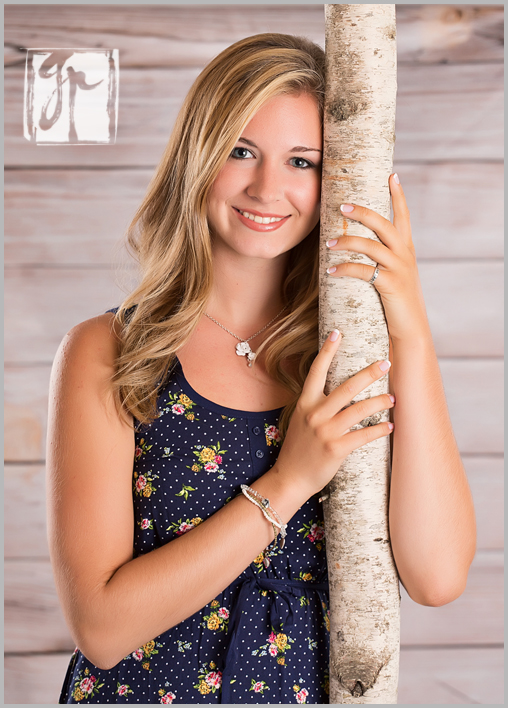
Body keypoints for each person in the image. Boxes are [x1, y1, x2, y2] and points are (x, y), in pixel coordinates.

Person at [48, 33, 476, 705]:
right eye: (241, 151)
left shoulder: (354, 359)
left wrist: (411, 326)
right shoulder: (110, 351)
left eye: (302, 161)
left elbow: (438, 576)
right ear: (199, 154)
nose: (267, 188)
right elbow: (101, 630)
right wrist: (290, 481)